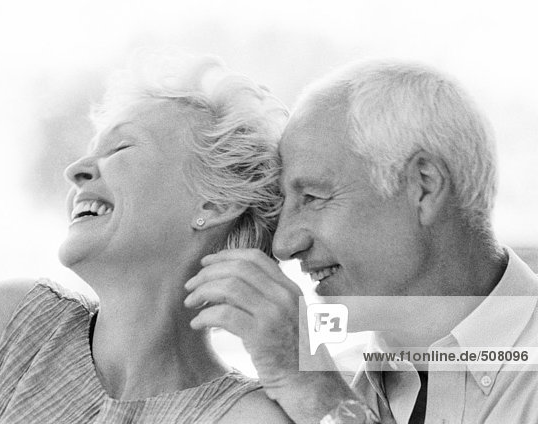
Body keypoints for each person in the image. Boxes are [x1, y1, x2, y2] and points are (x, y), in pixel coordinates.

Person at [0, 53, 294, 423]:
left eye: (120, 148)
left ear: (216, 202)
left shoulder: (248, 416)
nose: (75, 170)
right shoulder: (10, 324)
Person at [184, 60, 538, 423]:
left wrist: (321, 397)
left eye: (312, 197)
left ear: (424, 186)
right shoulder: (336, 374)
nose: (284, 245)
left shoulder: (318, 386)